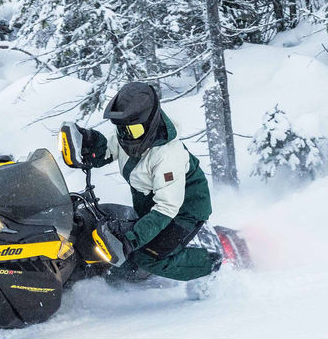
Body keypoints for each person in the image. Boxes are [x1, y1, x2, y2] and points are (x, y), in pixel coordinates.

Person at [60, 81, 220, 282]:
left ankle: (210, 263)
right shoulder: (129, 134)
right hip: (151, 206)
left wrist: (130, 239)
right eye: (121, 129)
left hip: (182, 212)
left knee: (147, 257)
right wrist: (89, 143)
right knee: (100, 226)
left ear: (150, 124)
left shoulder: (168, 156)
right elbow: (107, 151)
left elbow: (166, 209)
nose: (126, 136)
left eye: (132, 131)